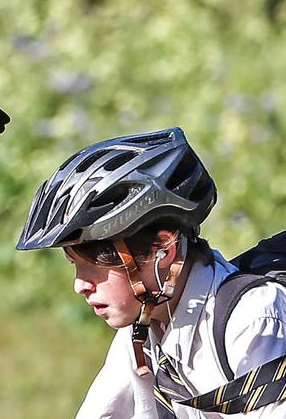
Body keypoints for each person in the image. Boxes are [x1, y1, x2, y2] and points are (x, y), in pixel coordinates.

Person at [16, 127, 286, 418]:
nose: (80, 285)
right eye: (76, 265)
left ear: (163, 249)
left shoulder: (251, 318)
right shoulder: (142, 329)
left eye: (96, 265)